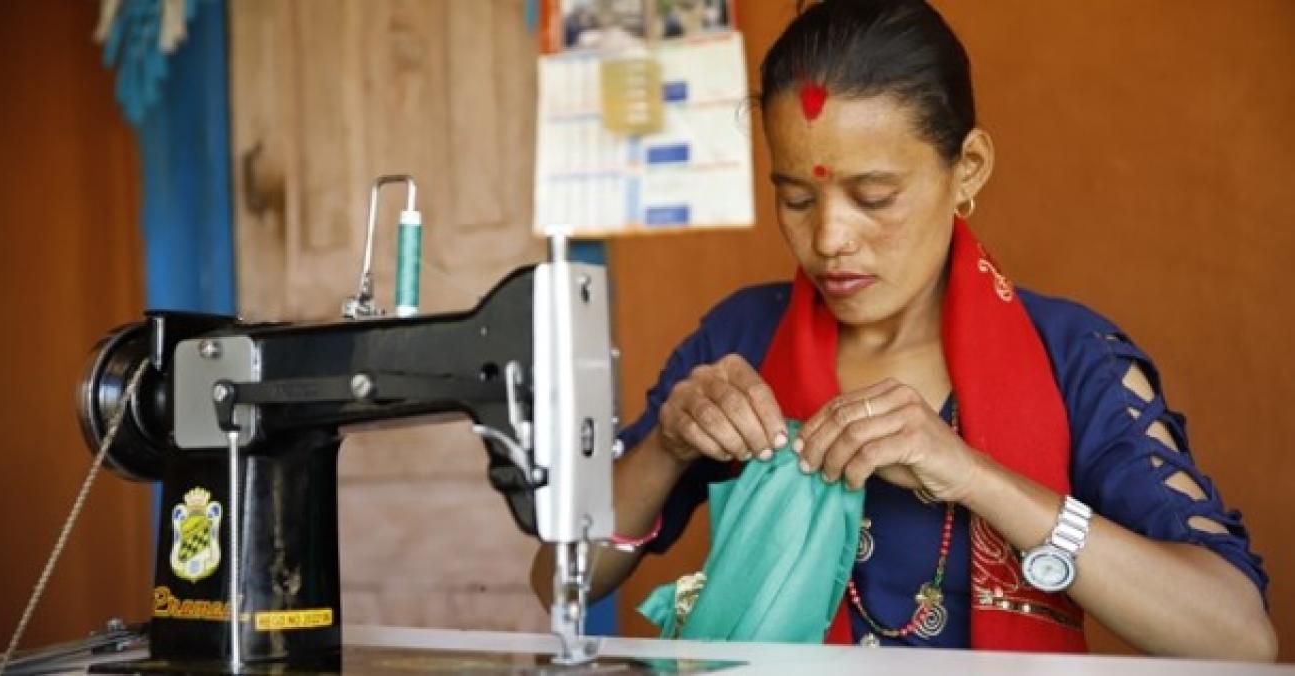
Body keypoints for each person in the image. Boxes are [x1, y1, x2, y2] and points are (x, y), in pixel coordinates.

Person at [530, 0, 1275, 659]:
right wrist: (666, 446)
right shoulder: (742, 337)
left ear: (969, 168)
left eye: (875, 197)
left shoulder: (1075, 358)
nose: (829, 240)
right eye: (796, 199)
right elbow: (555, 579)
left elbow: (1236, 636)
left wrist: (975, 477)